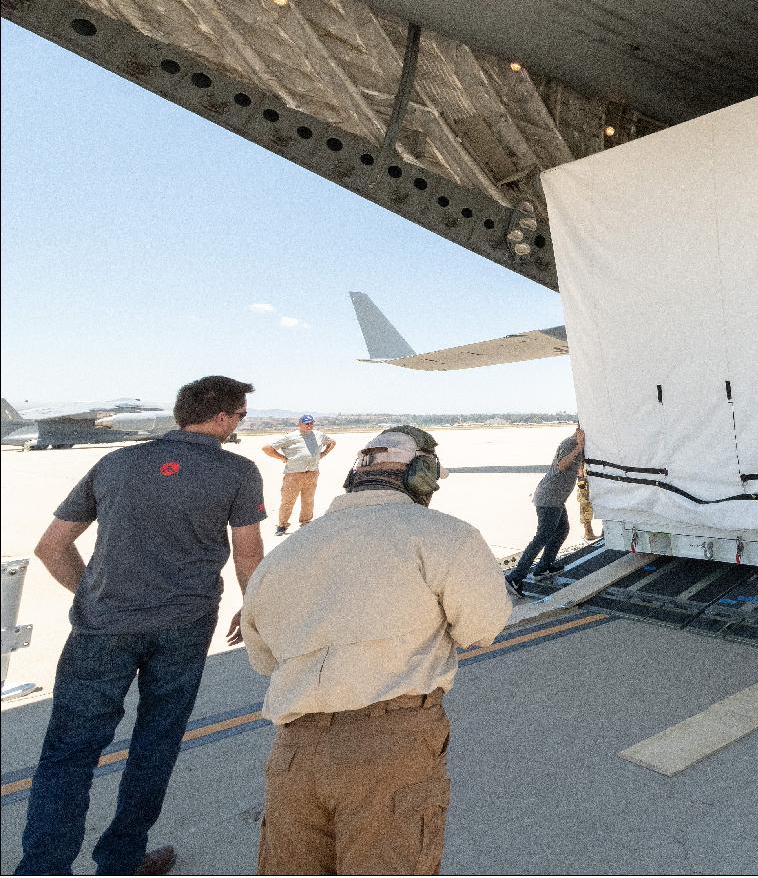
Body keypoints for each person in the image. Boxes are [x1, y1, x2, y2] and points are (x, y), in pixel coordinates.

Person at [18, 375, 265, 878]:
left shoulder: (116, 463)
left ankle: (42, 869)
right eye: (240, 415)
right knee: (155, 745)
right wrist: (254, 608)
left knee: (68, 753)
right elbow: (249, 556)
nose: (240, 423)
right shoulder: (237, 472)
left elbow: (51, 547)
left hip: (101, 628)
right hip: (185, 626)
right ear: (221, 416)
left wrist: (93, 596)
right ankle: (120, 861)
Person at [241, 426, 511, 875]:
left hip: (294, 751)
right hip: (389, 746)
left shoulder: (287, 552)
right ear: (422, 474)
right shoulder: (444, 536)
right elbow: (481, 627)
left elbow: (263, 659)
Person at [505, 427, 587, 596]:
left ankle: (543, 568)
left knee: (562, 530)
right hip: (549, 498)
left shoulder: (577, 444)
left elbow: (572, 468)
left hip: (556, 499)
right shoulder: (570, 443)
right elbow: (562, 465)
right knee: (542, 536)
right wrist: (579, 447)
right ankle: (515, 577)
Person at [262, 414, 336, 537]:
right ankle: (282, 525)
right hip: (293, 475)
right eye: (306, 423)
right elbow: (267, 448)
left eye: (311, 423)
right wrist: (282, 458)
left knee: (308, 500)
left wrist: (324, 453)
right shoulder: (291, 437)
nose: (309, 425)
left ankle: (306, 523)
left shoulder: (319, 435)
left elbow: (332, 442)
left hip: (312, 473)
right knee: (288, 501)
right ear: (300, 424)